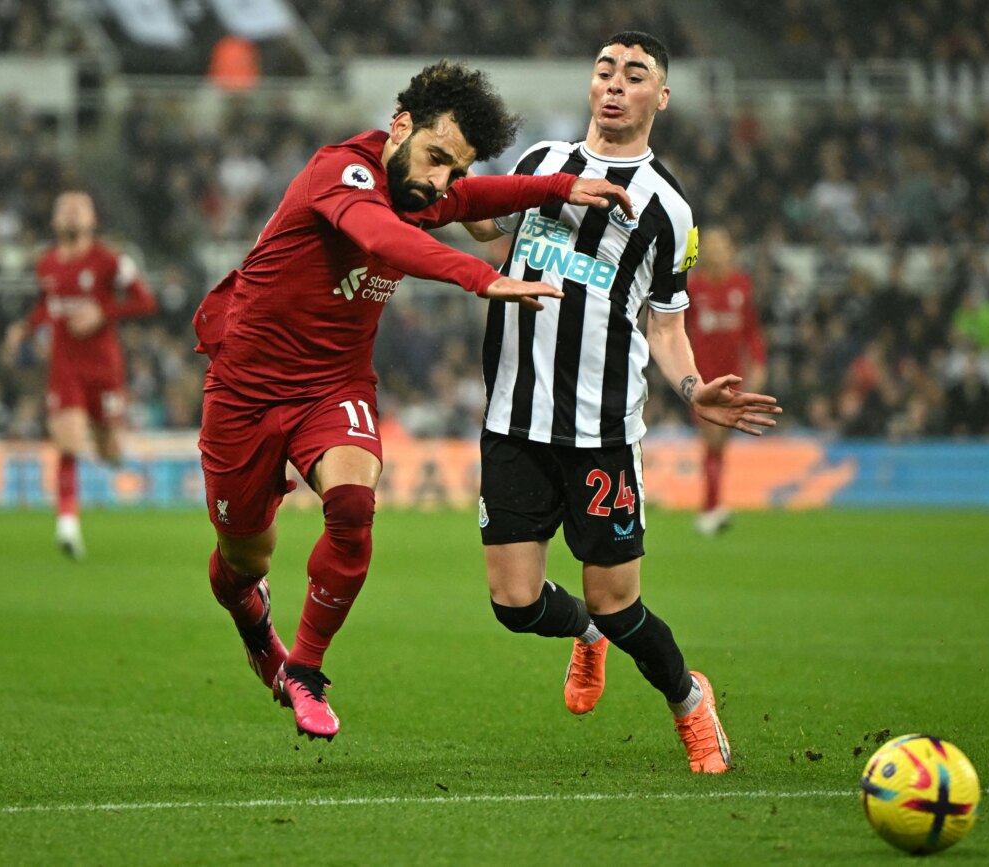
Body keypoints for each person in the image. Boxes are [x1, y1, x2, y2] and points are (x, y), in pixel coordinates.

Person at [194, 61, 635, 742]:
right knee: (242, 561)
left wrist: (559, 186)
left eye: (452, 170)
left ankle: (306, 669)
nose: (440, 183)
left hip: (332, 387)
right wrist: (479, 276)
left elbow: (478, 195)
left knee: (351, 504)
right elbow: (381, 238)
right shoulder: (342, 173)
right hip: (245, 391)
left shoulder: (423, 190)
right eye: (435, 158)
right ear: (399, 126)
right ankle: (255, 623)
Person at [462, 32, 781, 774]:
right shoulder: (541, 164)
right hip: (512, 416)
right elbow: (483, 225)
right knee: (513, 603)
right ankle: (585, 638)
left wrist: (695, 389)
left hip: (600, 428)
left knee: (618, 600)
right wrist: (442, 182)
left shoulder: (669, 208)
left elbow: (665, 323)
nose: (613, 84)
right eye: (604, 70)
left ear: (658, 98)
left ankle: (688, 700)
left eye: (634, 75)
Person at [5, 191, 156, 559]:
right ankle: (68, 525)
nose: (72, 213)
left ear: (92, 219)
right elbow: (47, 305)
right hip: (65, 367)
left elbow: (144, 301)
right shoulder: (46, 264)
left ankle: (116, 454)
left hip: (104, 368)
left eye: (80, 208)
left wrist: (102, 313)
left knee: (108, 450)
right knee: (69, 440)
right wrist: (24, 328)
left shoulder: (110, 260)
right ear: (55, 221)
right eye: (65, 208)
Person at [685, 226, 767, 536]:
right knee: (713, 439)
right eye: (712, 245)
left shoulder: (741, 286)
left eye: (722, 244)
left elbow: (752, 331)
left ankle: (712, 506)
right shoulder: (694, 288)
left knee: (719, 446)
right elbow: (678, 331)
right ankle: (710, 509)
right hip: (704, 380)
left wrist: (758, 364)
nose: (717, 250)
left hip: (735, 378)